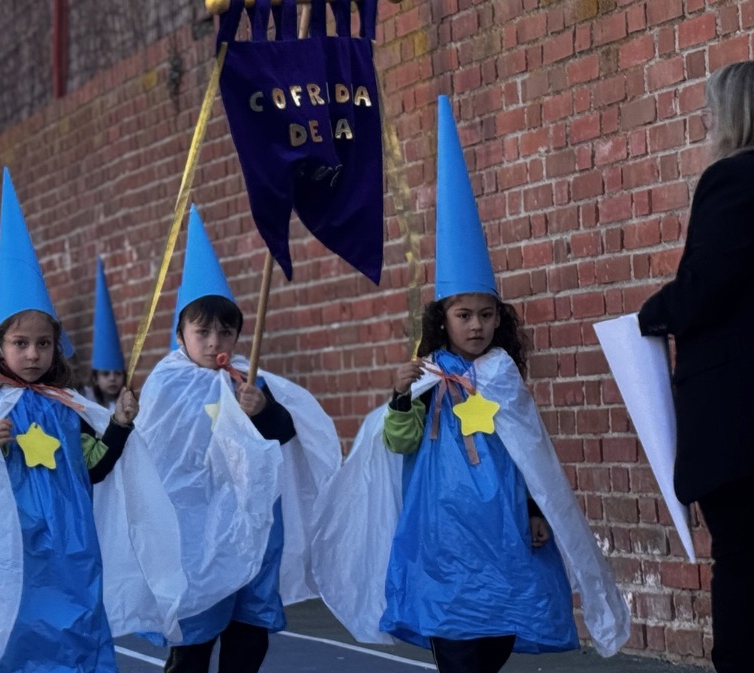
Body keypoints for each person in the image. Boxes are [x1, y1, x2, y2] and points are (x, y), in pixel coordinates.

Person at [313, 96, 629, 671]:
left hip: (505, 526)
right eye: (465, 315)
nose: (477, 325)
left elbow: (532, 454)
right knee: (456, 643)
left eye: (487, 315)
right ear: (444, 319)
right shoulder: (429, 376)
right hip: (443, 534)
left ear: (498, 319)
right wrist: (400, 396)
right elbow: (400, 443)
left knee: (498, 637)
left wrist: (537, 512)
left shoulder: (503, 376)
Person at [0, 168, 177, 672]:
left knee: (75, 630)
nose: (34, 354)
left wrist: (121, 425)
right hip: (12, 547)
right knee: (13, 633)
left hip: (70, 546)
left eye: (44, 343)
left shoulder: (68, 404)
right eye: (21, 344)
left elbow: (94, 468)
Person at [135, 206, 339, 673]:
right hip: (196, 528)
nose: (213, 341)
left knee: (248, 636)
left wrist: (263, 409)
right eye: (201, 331)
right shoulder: (167, 383)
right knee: (194, 638)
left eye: (225, 331)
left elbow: (289, 433)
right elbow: (158, 451)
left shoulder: (249, 379)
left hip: (252, 523)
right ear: (181, 334)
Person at [637, 61, 754, 673]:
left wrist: (651, 314)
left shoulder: (732, 180)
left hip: (739, 423)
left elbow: (705, 286)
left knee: (740, 560)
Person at [87, 258, 125, 412]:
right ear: (95, 378)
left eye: (118, 373)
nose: (112, 378)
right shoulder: (88, 408)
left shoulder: (133, 408)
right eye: (105, 374)